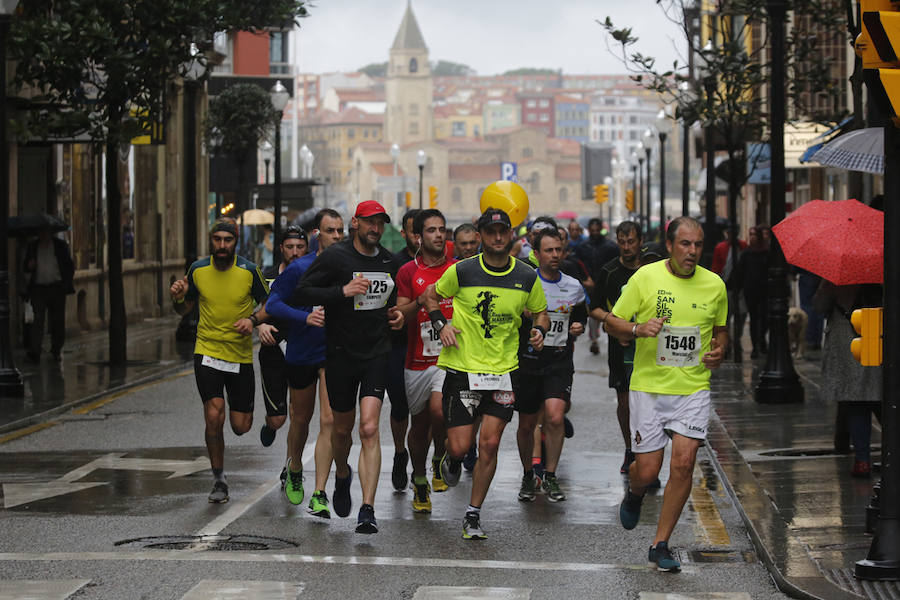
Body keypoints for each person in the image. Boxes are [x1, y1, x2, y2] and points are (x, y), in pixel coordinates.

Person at [605, 216, 728, 572]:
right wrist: (637, 328)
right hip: (649, 388)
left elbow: (721, 332)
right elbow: (611, 322)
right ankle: (636, 491)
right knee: (647, 469)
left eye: (698, 245)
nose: (692, 252)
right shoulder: (645, 277)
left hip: (692, 388)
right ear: (670, 245)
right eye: (685, 244)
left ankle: (660, 543)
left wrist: (719, 350)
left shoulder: (715, 285)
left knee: (685, 462)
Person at [423, 207, 549, 540]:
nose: (497, 238)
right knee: (462, 447)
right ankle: (451, 458)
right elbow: (430, 295)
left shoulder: (526, 275)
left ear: (510, 235)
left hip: (505, 372)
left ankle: (473, 514)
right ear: (480, 236)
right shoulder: (462, 271)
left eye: (502, 232)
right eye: (490, 232)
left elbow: (541, 312)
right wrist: (441, 325)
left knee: (490, 443)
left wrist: (538, 330)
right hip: (464, 369)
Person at [290, 200, 404, 534]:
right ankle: (342, 474)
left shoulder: (388, 261)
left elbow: (396, 300)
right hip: (340, 355)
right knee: (342, 431)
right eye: (370, 222)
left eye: (380, 224)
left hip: (376, 354)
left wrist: (397, 314)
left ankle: (367, 509)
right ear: (356, 223)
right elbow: (302, 292)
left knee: (369, 429)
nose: (376, 229)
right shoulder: (335, 257)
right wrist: (343, 290)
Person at [170, 218, 270, 504]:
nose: (222, 245)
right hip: (208, 351)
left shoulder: (249, 271)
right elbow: (184, 309)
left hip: (239, 356)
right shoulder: (198, 270)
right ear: (211, 240)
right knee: (214, 415)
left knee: (241, 426)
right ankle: (218, 478)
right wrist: (176, 298)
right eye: (217, 240)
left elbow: (270, 304)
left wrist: (253, 320)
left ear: (236, 241)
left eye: (228, 240)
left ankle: (230, 447)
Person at [264, 210, 344, 517]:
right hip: (301, 352)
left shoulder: (349, 268)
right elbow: (273, 303)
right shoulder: (300, 267)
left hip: (332, 354)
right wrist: (305, 316)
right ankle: (294, 466)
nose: (336, 236)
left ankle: (320, 492)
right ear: (317, 234)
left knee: (328, 421)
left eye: (340, 231)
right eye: (330, 231)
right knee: (300, 419)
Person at [515, 227, 586, 503]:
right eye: (549, 250)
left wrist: (579, 325)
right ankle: (527, 474)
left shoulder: (573, 285)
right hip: (528, 362)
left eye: (559, 250)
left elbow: (581, 316)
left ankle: (551, 475)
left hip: (559, 360)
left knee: (555, 416)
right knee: (526, 423)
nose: (555, 255)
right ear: (536, 254)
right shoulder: (525, 282)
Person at [396, 208, 456, 513]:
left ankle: (440, 455)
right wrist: (420, 302)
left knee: (440, 409)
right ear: (419, 236)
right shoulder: (408, 272)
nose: (438, 235)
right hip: (417, 359)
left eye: (442, 229)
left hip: (449, 358)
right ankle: (419, 479)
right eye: (431, 230)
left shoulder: (459, 269)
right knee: (418, 426)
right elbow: (398, 314)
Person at [813, 281, 882, 477]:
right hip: (873, 331)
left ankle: (862, 461)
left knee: (857, 400)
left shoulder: (836, 278)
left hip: (847, 339)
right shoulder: (880, 271)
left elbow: (819, 306)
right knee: (877, 395)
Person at [590, 221, 643, 475]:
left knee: (646, 400)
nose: (626, 247)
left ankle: (646, 449)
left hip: (649, 345)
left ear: (640, 241)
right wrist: (614, 321)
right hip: (619, 345)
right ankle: (629, 448)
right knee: (624, 400)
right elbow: (595, 307)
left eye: (630, 241)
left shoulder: (651, 271)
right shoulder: (609, 271)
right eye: (621, 242)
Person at [257, 227, 309, 449]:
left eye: (300, 247)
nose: (295, 252)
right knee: (278, 419)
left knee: (297, 414)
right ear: (281, 249)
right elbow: (255, 310)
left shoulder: (313, 275)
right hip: (273, 350)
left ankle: (289, 467)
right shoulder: (266, 275)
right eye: (289, 247)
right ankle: (270, 425)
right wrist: (261, 325)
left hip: (302, 348)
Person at [385, 209, 420, 492]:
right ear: (403, 233)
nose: (419, 237)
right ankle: (399, 453)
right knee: (400, 407)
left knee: (433, 409)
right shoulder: (393, 264)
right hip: (398, 346)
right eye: (413, 231)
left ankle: (429, 460)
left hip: (433, 348)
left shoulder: (446, 266)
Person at [24, 224, 75, 362]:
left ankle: (56, 349)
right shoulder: (33, 246)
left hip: (56, 287)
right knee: (38, 319)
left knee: (57, 320)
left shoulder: (60, 245)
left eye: (45, 232)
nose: (43, 235)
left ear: (50, 232)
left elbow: (69, 266)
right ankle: (35, 351)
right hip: (39, 288)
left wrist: (65, 283)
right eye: (40, 232)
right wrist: (29, 266)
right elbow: (25, 267)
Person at [576, 218, 618, 354]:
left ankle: (605, 334)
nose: (594, 232)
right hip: (590, 286)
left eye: (596, 230)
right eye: (592, 230)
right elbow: (578, 265)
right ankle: (594, 339)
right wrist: (584, 280)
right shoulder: (583, 246)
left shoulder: (610, 247)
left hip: (607, 285)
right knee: (593, 313)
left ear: (600, 229)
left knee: (609, 312)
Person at [735, 226, 770, 358]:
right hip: (750, 291)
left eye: (754, 235)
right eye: (750, 235)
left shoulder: (767, 253)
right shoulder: (746, 254)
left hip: (765, 291)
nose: (752, 237)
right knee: (754, 318)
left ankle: (762, 341)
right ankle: (756, 346)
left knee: (765, 318)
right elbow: (740, 272)